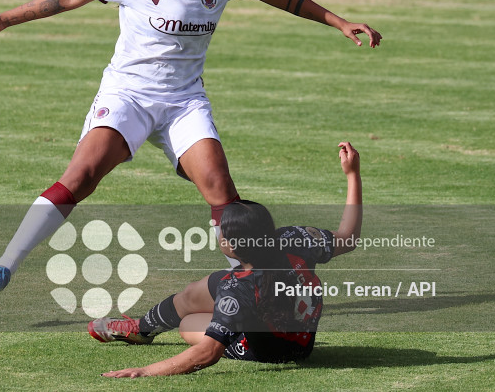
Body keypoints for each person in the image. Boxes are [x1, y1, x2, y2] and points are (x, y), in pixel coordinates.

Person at [0, 0, 381, 301]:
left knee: (222, 192)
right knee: (81, 175)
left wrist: (339, 22)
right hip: (128, 95)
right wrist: (6, 18)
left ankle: (249, 290)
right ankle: (5, 266)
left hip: (184, 102)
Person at [90, 142, 362, 377]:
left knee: (188, 325)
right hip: (296, 332)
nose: (217, 229)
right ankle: (141, 329)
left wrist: (144, 371)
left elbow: (208, 353)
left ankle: (221, 332)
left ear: (235, 246)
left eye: (223, 230)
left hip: (276, 350)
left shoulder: (239, 287)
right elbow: (348, 237)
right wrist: (352, 175)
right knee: (197, 290)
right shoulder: (295, 238)